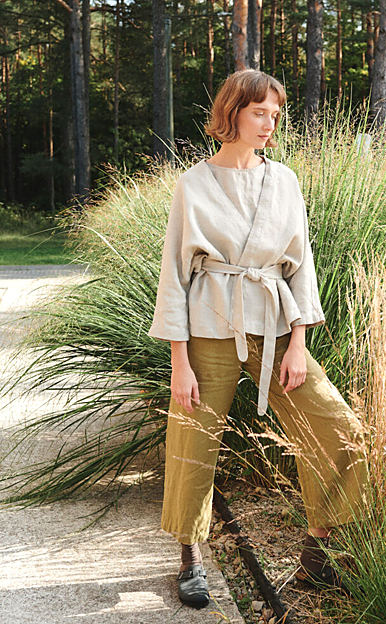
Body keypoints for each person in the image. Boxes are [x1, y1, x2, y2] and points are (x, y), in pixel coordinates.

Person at [148, 69, 369, 609]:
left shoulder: (285, 181)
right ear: (232, 113)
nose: (269, 123)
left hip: (275, 326)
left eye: (275, 114)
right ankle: (190, 555)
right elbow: (175, 274)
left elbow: (301, 264)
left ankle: (318, 551)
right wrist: (179, 361)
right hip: (208, 326)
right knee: (193, 441)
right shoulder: (193, 184)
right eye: (259, 113)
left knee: (337, 425)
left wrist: (299, 343)